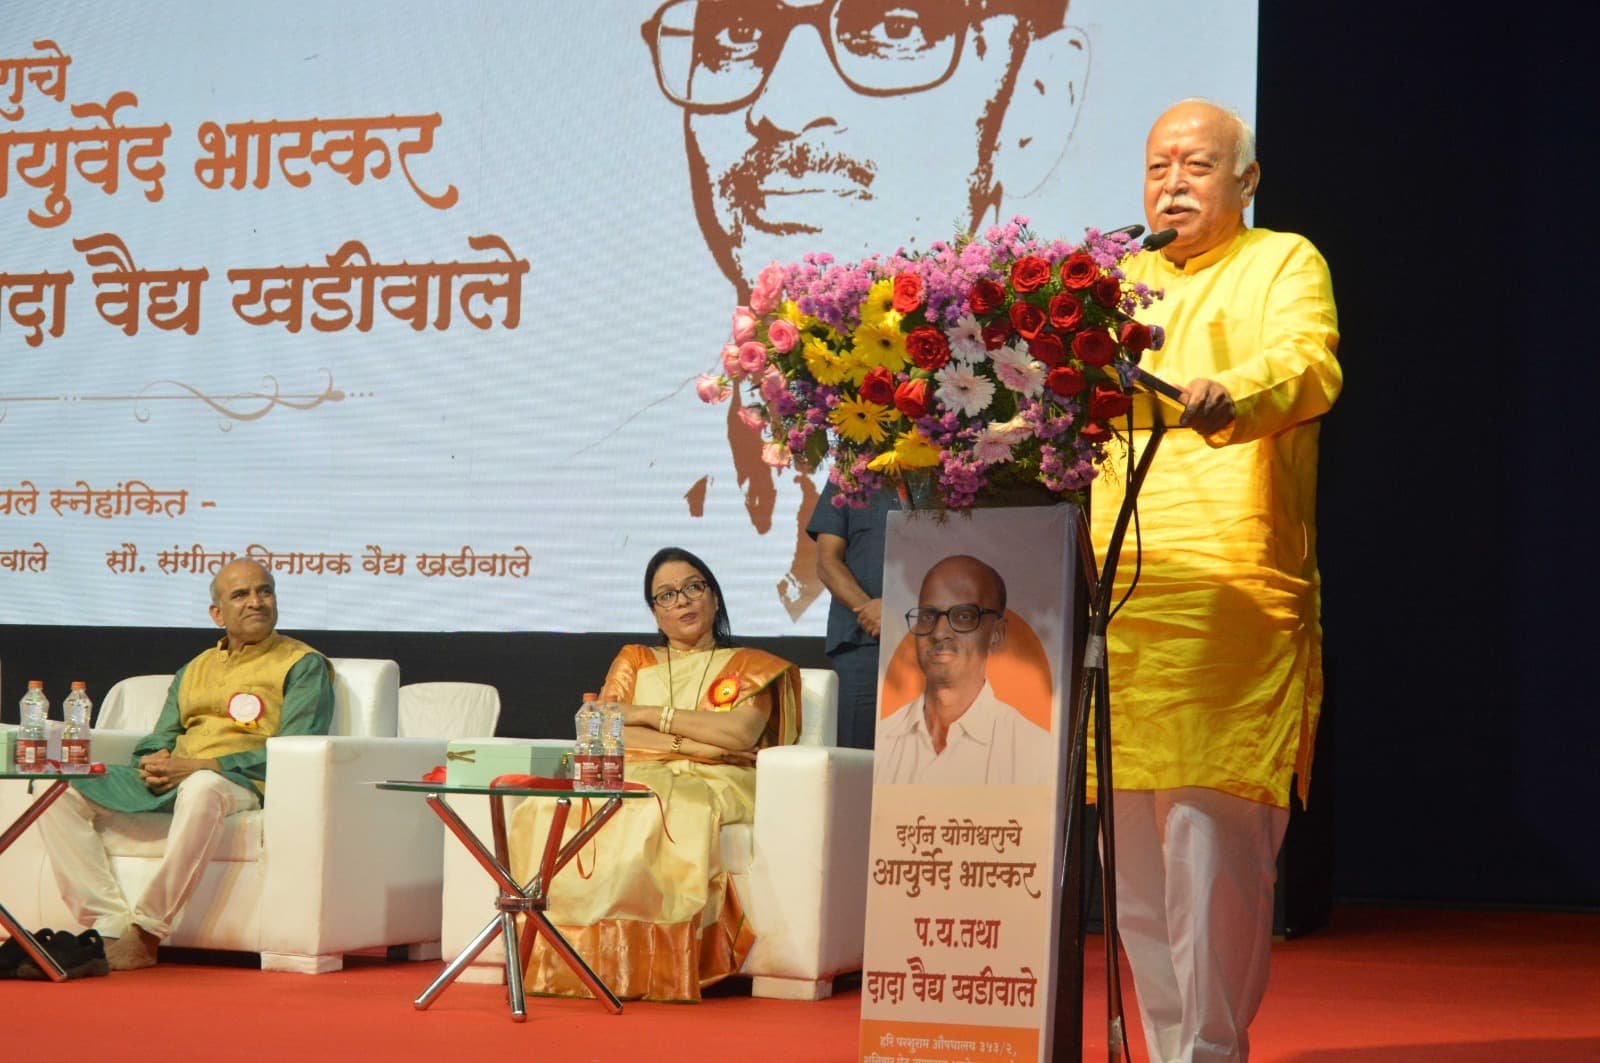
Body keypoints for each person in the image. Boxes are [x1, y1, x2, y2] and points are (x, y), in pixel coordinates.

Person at [639, 0, 1091, 620]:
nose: (779, 112)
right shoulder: (614, 472)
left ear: (1037, 100)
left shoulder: (1031, 444)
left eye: (892, 29)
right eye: (736, 36)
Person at [1089, 99, 1342, 1062]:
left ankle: (1210, 1050)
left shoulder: (1282, 260)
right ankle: (1170, 1049)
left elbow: (1308, 364)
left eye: (1196, 166)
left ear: (1247, 179)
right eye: (1159, 166)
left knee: (1208, 851)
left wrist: (1230, 391)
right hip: (1119, 595)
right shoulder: (1116, 280)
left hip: (1228, 596)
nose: (1173, 185)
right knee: (1135, 870)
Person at [506, 546, 801, 1001]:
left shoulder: (750, 665)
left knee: (662, 804)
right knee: (548, 809)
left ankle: (653, 967)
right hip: (640, 769)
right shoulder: (635, 660)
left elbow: (740, 733)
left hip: (720, 779)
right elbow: (607, 728)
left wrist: (648, 714)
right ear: (655, 612)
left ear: (714, 597)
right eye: (666, 595)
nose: (681, 601)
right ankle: (568, 955)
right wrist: (696, 743)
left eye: (693, 588)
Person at [37, 558, 335, 971]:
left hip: (241, 781)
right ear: (217, 614)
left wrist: (202, 765)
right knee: (56, 787)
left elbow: (295, 747)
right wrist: (152, 760)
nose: (256, 602)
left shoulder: (302, 664)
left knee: (203, 787)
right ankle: (107, 925)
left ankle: (147, 931)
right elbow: (160, 735)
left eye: (265, 591)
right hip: (176, 777)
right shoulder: (194, 668)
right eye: (241, 595)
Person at [875, 554, 1050, 785]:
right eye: (928, 616)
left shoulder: (1033, 751)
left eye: (963, 616)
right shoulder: (884, 740)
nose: (939, 633)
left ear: (996, 634)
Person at [806, 479, 899, 749]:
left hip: (937, 638)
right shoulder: (851, 473)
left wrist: (908, 609)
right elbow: (827, 562)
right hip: (864, 642)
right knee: (859, 757)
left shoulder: (952, 471)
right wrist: (872, 613)